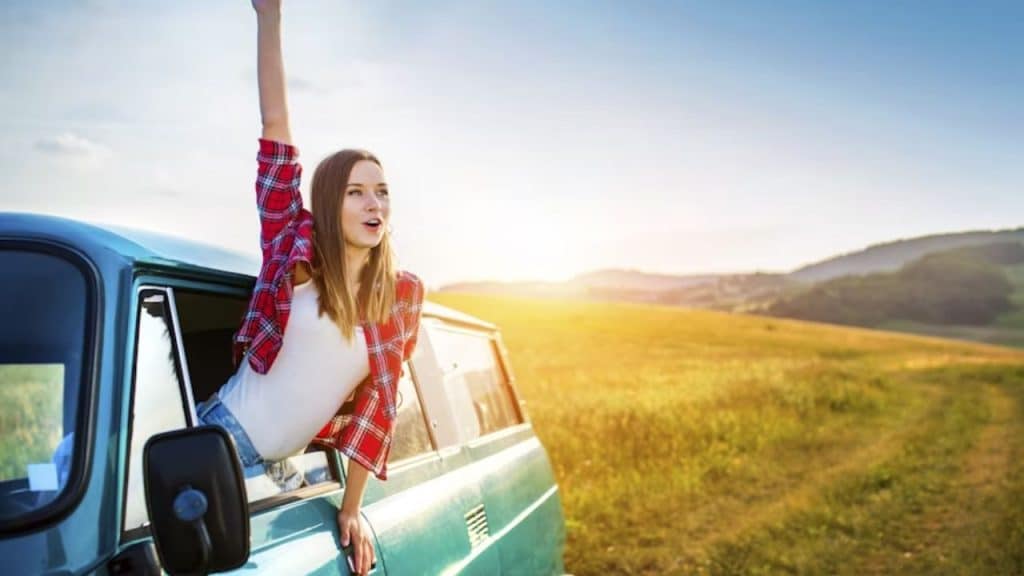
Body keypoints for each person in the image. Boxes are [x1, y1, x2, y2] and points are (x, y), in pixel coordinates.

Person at [195, 1, 424, 574]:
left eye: (381, 190)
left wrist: (352, 510)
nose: (374, 202)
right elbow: (276, 128)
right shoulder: (293, 247)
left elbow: (380, 407)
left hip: (281, 471)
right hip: (215, 440)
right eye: (355, 192)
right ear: (328, 202)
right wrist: (268, 17)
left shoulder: (400, 298)